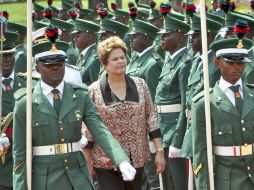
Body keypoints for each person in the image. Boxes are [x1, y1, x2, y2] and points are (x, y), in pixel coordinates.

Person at [12, 38, 136, 190]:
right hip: (45, 180)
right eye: (49, 65)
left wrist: (121, 160)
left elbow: (100, 130)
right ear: (37, 68)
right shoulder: (26, 102)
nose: (56, 69)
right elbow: (20, 154)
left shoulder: (80, 95)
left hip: (77, 178)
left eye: (60, 64)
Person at [83, 36, 165, 190]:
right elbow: (88, 131)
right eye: (115, 59)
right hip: (105, 161)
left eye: (122, 57)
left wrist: (159, 152)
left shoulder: (140, 85)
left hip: (137, 158)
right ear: (104, 64)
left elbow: (152, 119)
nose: (120, 61)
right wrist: (88, 163)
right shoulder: (93, 91)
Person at [192, 38, 254, 190]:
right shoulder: (204, 103)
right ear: (217, 62)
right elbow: (201, 154)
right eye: (231, 62)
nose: (237, 66)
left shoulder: (252, 95)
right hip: (226, 181)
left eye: (240, 62)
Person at [0, 18, 26, 190]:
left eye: (9, 54)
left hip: (21, 163)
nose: (6, 59)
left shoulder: (28, 85)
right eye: (2, 55)